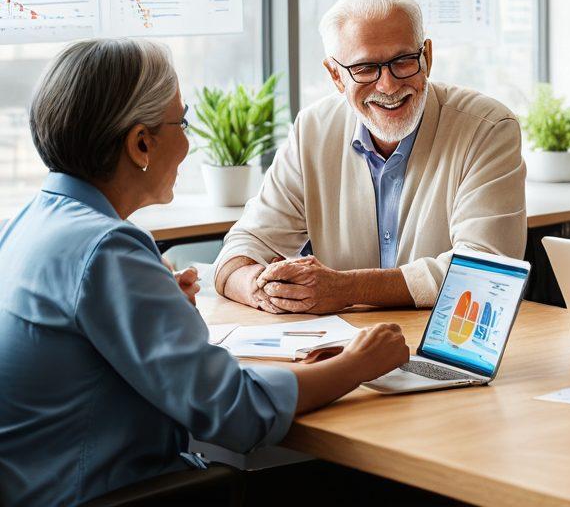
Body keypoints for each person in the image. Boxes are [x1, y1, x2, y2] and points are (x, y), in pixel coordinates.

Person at [0, 37, 409, 507]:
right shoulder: (107, 249)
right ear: (140, 143)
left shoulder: (30, 223)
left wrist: (161, 310)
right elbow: (236, 411)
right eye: (183, 120)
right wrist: (358, 364)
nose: (189, 140)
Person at [214, 0, 527, 314]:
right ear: (336, 76)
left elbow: (486, 272)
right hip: (344, 350)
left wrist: (346, 288)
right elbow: (244, 245)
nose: (388, 86)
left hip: (441, 346)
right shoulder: (313, 129)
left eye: (403, 61)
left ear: (427, 58)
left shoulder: (488, 127)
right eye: (365, 69)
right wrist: (263, 288)